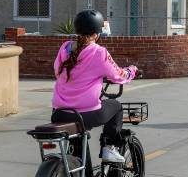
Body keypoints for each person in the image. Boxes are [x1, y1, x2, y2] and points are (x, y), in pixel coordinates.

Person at [51, 10, 137, 163]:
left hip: (59, 113)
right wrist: (132, 71)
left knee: (77, 140)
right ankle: (109, 148)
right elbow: (118, 75)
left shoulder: (65, 48)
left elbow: (58, 73)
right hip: (86, 114)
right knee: (116, 106)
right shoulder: (98, 52)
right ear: (97, 34)